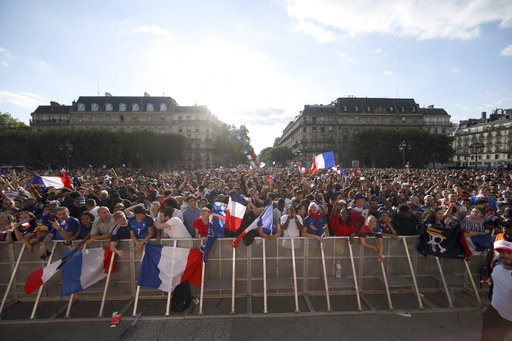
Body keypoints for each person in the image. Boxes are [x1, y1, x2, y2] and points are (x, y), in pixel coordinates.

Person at [480, 239, 512, 340]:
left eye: (509, 252)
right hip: (494, 311)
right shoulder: (497, 266)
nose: (505, 255)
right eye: (500, 251)